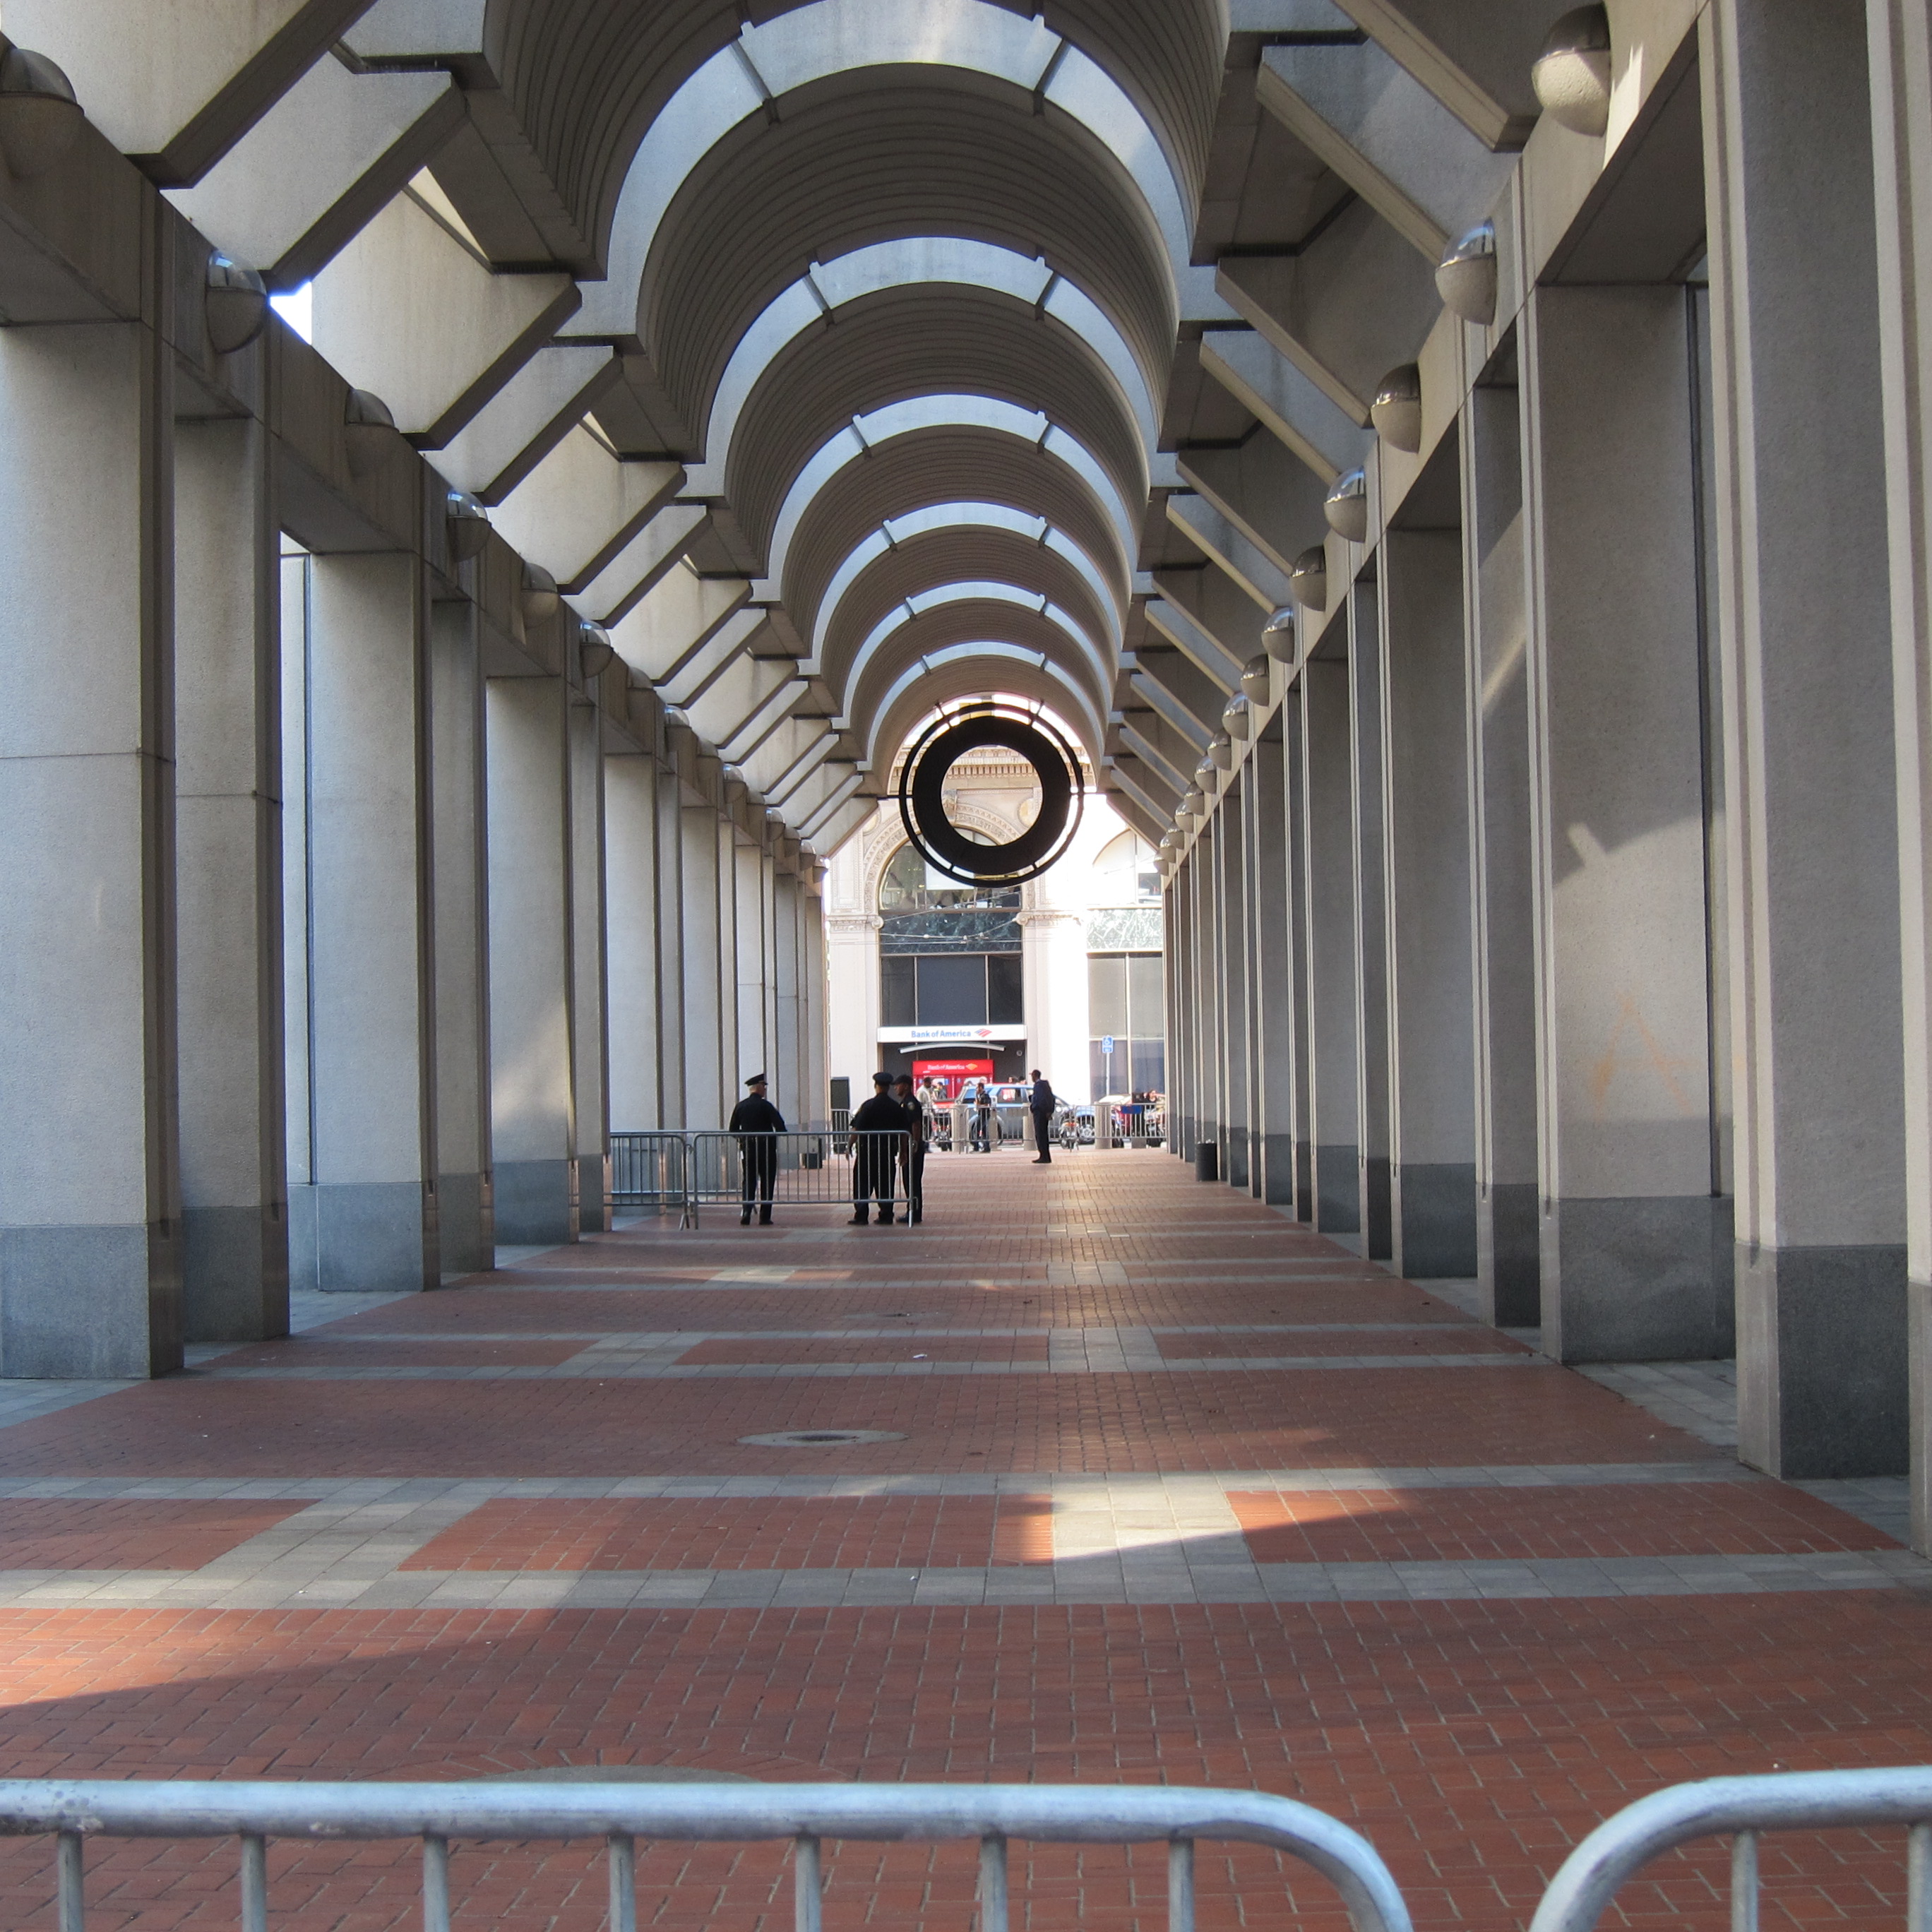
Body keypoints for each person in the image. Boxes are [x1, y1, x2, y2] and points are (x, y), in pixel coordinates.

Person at [849, 1072, 910, 1224]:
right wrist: (903, 1151)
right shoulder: (896, 1107)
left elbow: (857, 1128)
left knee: (863, 1184)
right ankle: (886, 1214)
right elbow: (903, 1133)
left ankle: (862, 1215)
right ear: (888, 1088)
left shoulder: (868, 1106)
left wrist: (849, 1145)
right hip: (886, 1152)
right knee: (886, 1184)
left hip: (867, 1152)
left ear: (876, 1086)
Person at [728, 1072, 786, 1224]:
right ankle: (765, 1216)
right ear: (759, 1088)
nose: (765, 1090)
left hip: (748, 1150)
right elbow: (781, 1127)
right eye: (764, 1087)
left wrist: (744, 1137)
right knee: (767, 1182)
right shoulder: (766, 1106)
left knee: (749, 1181)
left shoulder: (740, 1106)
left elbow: (733, 1130)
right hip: (767, 1150)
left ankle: (746, 1212)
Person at [892, 1073, 933, 1224]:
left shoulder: (910, 1103)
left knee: (913, 1181)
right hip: (908, 1147)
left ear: (907, 1086)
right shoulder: (905, 1102)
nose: (896, 1087)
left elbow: (915, 1124)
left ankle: (914, 1213)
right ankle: (912, 1210)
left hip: (912, 1147)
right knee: (909, 1180)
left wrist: (914, 1145)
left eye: (898, 1084)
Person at [1028, 1068, 1056, 1164]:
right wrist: (1049, 1111)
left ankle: (1043, 1156)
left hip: (1040, 1113)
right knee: (1044, 1135)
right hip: (1044, 1113)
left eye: (1032, 1076)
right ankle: (1046, 1156)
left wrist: (1034, 1107)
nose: (1031, 1077)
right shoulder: (1045, 1085)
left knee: (1040, 1135)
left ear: (1035, 1076)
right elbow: (1051, 1098)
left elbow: (1040, 1099)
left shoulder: (1038, 1086)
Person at [971, 1080, 993, 1153]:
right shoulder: (979, 1095)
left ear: (981, 1087)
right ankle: (987, 1147)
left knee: (975, 1130)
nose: (976, 1089)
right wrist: (976, 1097)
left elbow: (987, 1105)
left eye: (977, 1088)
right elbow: (978, 1104)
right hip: (981, 1114)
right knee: (984, 1132)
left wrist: (978, 1105)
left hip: (984, 1115)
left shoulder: (985, 1095)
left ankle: (976, 1147)